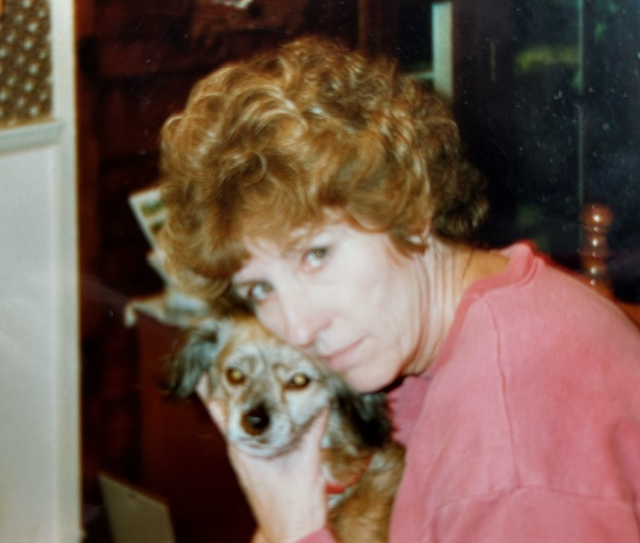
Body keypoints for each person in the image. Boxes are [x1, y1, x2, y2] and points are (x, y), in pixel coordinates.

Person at [158, 36, 640, 542]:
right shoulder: (434, 336)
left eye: (316, 255)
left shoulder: (509, 444)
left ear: (407, 208)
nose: (297, 328)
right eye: (259, 288)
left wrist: (295, 527)